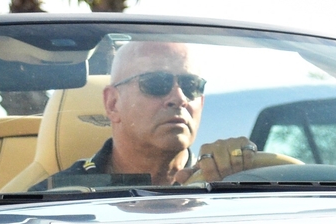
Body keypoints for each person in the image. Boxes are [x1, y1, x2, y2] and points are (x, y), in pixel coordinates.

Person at [44, 41, 289, 186]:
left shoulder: (238, 181)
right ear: (112, 104)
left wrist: (241, 178)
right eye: (156, 83)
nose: (179, 98)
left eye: (191, 86)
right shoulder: (58, 198)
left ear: (201, 102)